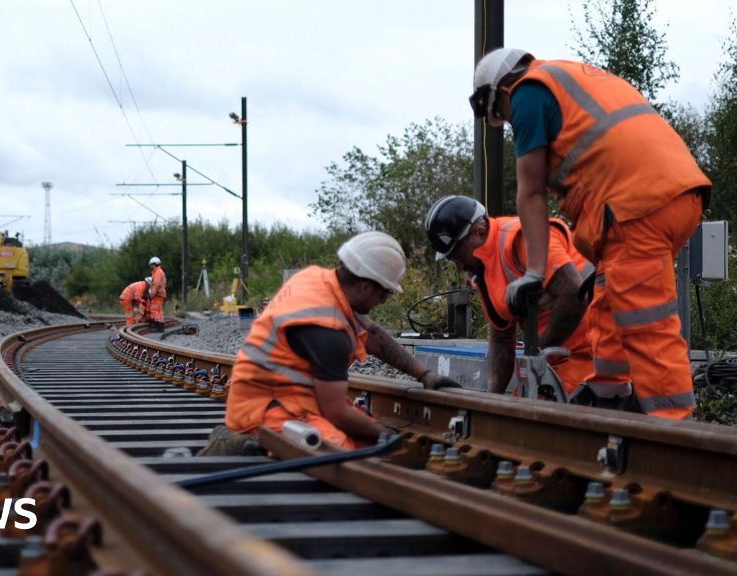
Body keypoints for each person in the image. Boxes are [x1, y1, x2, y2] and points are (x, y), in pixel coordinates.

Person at [469, 48, 711, 419]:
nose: (509, 120)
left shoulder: (527, 92)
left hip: (634, 208)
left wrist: (535, 272)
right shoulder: (569, 76)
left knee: (649, 328)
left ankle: (676, 433)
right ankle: (608, 397)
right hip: (676, 196)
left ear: (501, 90)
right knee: (608, 303)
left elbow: (530, 190)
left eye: (501, 115)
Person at [225, 231, 461, 449]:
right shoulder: (328, 330)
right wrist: (388, 435)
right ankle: (238, 444)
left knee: (364, 441)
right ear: (366, 287)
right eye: (385, 293)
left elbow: (374, 336)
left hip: (289, 397)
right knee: (340, 452)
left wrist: (425, 375)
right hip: (263, 410)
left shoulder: (316, 280)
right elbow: (335, 413)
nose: (383, 301)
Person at [424, 195, 619, 397]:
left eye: (457, 254)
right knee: (515, 416)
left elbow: (573, 293)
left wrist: (538, 353)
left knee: (533, 420)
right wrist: (491, 401)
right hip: (558, 359)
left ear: (479, 232)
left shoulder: (522, 237)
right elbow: (501, 339)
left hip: (597, 350)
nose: (460, 265)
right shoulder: (482, 270)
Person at [147, 256, 167, 331]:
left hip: (157, 294)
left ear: (154, 264)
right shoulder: (158, 272)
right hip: (160, 294)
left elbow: (156, 285)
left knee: (154, 310)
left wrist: (151, 294)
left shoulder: (158, 272)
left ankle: (158, 326)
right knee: (159, 310)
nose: (150, 266)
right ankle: (160, 326)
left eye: (151, 265)